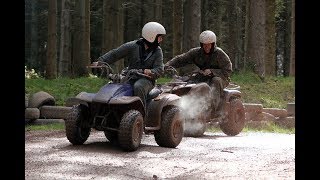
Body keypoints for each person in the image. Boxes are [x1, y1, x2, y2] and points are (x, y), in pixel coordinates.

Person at [94, 21, 166, 109]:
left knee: (138, 86)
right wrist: (101, 61)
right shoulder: (133, 45)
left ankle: (140, 114)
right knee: (112, 85)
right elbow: (115, 53)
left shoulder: (157, 51)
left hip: (146, 80)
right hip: (130, 76)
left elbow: (160, 69)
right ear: (151, 36)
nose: (161, 40)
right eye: (159, 37)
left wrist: (149, 71)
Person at [165, 30, 232, 116]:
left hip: (221, 78)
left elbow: (228, 69)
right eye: (204, 45)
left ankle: (211, 109)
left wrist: (212, 71)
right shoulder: (196, 52)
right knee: (185, 80)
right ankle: (181, 104)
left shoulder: (220, 54)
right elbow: (181, 59)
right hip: (203, 76)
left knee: (216, 81)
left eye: (208, 45)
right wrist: (168, 65)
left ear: (213, 44)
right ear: (201, 44)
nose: (206, 47)